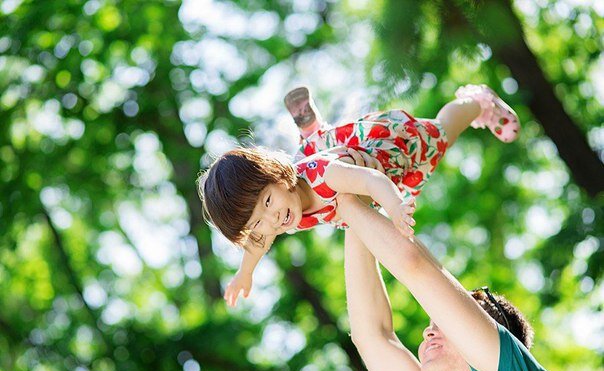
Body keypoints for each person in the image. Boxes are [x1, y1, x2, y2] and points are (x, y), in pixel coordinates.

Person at [198, 84, 520, 307]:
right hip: (327, 160)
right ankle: (312, 130)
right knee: (315, 149)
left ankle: (478, 103)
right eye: (257, 222)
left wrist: (395, 206)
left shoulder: (326, 176)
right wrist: (244, 274)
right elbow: (258, 243)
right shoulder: (277, 218)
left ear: (276, 175)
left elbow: (372, 179)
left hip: (381, 155)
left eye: (268, 202)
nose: (273, 219)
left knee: (439, 135)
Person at [336, 193, 563, 371]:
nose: (428, 332)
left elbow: (414, 266)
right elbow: (373, 334)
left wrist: (343, 197)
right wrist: (354, 193)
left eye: (443, 323)